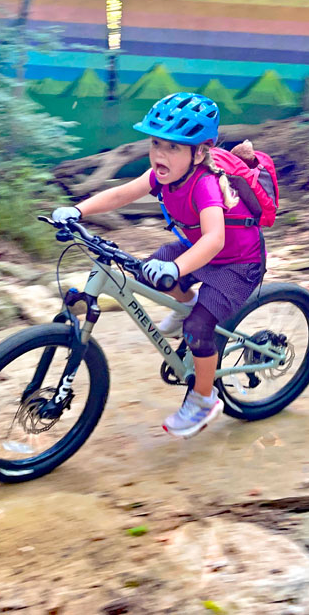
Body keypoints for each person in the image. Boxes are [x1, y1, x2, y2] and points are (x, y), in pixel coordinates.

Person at [51, 92, 266, 438]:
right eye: (155, 144)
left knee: (198, 329)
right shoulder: (160, 177)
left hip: (238, 264)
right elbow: (121, 194)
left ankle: (204, 398)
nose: (159, 155)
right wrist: (78, 210)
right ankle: (188, 304)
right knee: (148, 272)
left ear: (199, 153)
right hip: (196, 249)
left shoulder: (205, 185)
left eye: (173, 147)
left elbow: (215, 239)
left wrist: (177, 268)